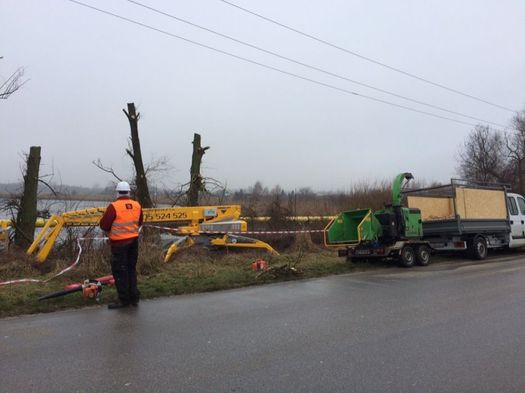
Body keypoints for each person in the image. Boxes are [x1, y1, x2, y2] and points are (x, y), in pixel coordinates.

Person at [99, 181, 143, 309]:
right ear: (129, 192)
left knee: (120, 272)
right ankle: (134, 298)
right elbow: (140, 222)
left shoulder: (114, 207)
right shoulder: (137, 205)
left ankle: (124, 300)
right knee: (131, 269)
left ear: (117, 192)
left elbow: (104, 225)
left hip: (119, 244)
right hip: (133, 242)